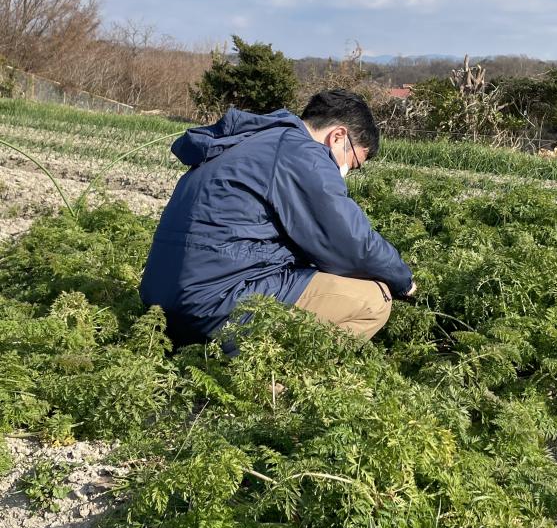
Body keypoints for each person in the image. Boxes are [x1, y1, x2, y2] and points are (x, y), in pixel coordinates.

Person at [139, 88, 415, 349]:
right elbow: (351, 245)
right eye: (353, 163)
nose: (346, 171)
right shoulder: (302, 154)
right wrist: (403, 281)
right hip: (212, 306)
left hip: (161, 304)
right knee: (374, 300)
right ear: (338, 136)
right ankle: (281, 381)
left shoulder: (250, 142)